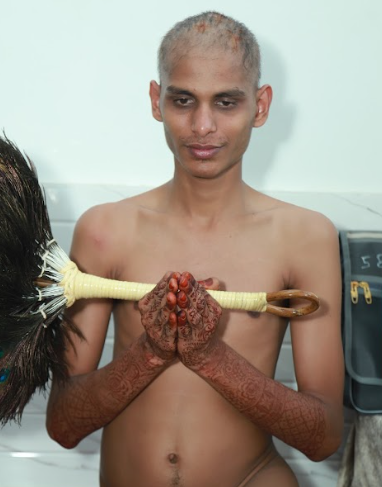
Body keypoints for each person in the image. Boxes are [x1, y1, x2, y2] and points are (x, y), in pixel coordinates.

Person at [46, 11, 344, 487]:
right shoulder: (105, 230)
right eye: (183, 100)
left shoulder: (306, 236)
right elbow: (63, 424)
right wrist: (150, 352)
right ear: (156, 100)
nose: (202, 126)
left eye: (226, 102)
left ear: (261, 106)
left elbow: (324, 436)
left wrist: (209, 356)